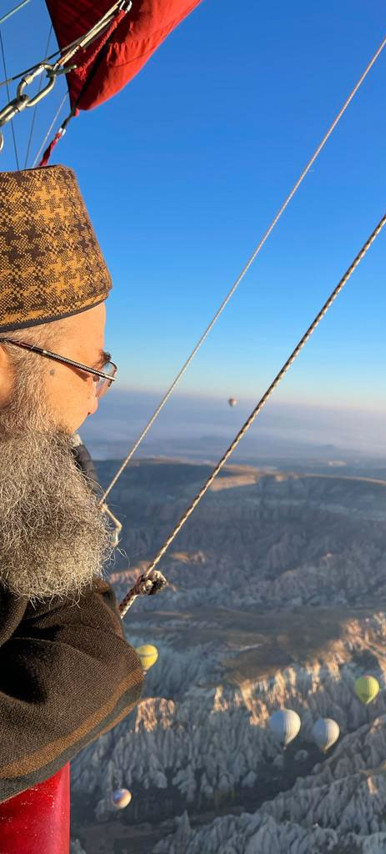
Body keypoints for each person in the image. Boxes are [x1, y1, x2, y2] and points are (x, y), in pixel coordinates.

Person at [0, 165, 144, 848]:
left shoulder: (27, 466)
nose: (97, 395)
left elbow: (78, 631)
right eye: (89, 367)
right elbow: (85, 661)